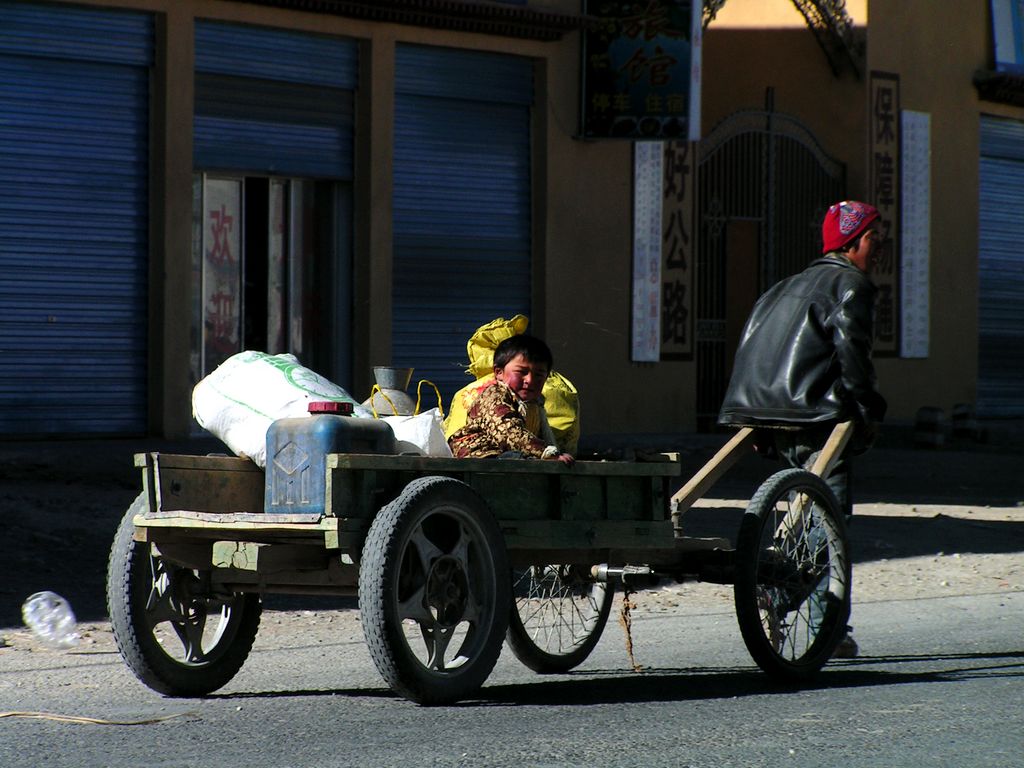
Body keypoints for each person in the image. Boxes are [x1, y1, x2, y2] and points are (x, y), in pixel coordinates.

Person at [718, 200, 888, 658]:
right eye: (875, 238)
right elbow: (854, 360)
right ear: (852, 242)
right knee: (828, 520)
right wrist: (870, 412)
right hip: (819, 418)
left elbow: (751, 349)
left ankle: (830, 629)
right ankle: (783, 595)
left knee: (806, 516)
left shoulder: (783, 287)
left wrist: (750, 416)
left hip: (767, 414)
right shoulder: (852, 285)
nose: (880, 248)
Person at [448, 334, 575, 465]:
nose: (530, 380)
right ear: (499, 373)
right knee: (515, 458)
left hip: (512, 454)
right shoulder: (494, 395)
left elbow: (543, 436)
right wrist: (544, 452)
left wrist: (554, 454)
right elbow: (507, 431)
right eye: (521, 372)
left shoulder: (535, 404)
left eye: (538, 375)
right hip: (479, 455)